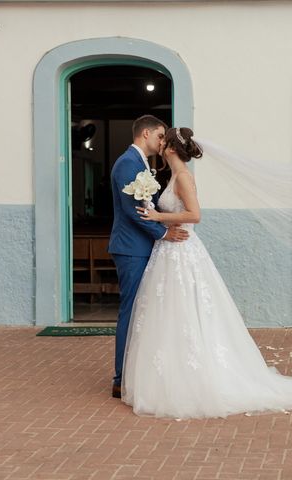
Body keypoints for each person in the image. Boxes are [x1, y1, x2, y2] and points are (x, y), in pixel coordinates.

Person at [121, 127, 292, 418]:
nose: (159, 144)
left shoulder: (184, 177)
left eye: (164, 140)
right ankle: (171, 374)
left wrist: (159, 216)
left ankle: (196, 377)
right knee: (171, 314)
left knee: (187, 311)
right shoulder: (172, 177)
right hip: (169, 253)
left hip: (182, 252)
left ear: (172, 148)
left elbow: (195, 215)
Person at [108, 115, 189, 400]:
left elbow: (148, 205)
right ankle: (120, 379)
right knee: (130, 312)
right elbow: (134, 210)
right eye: (159, 135)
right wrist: (163, 233)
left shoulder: (141, 164)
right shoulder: (128, 163)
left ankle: (136, 372)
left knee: (144, 313)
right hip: (131, 248)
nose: (162, 141)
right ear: (146, 133)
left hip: (142, 247)